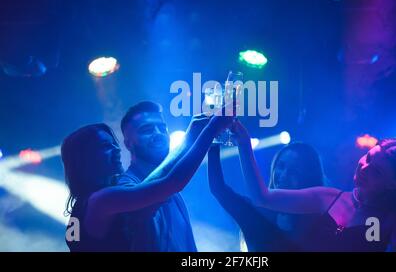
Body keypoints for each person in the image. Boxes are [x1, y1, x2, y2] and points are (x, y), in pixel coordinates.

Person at [229, 120, 396, 252]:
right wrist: (244, 144)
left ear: (394, 184)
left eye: (377, 171)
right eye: (367, 157)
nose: (364, 168)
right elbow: (261, 197)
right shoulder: (328, 197)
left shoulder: (388, 221)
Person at [62, 111, 232, 252]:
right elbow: (171, 183)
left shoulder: (82, 205)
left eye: (114, 144)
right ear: (86, 159)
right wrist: (210, 130)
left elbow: (159, 179)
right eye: (105, 146)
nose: (116, 149)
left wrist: (194, 135)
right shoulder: (101, 200)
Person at [117, 101, 214, 251]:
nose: (158, 133)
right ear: (128, 144)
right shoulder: (125, 186)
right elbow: (168, 184)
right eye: (147, 129)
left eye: (162, 128)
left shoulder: (173, 190)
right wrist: (206, 131)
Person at [208, 142, 324, 251]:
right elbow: (218, 188)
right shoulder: (256, 212)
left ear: (308, 179)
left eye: (294, 172)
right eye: (281, 166)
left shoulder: (320, 226)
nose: (283, 175)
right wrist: (213, 141)